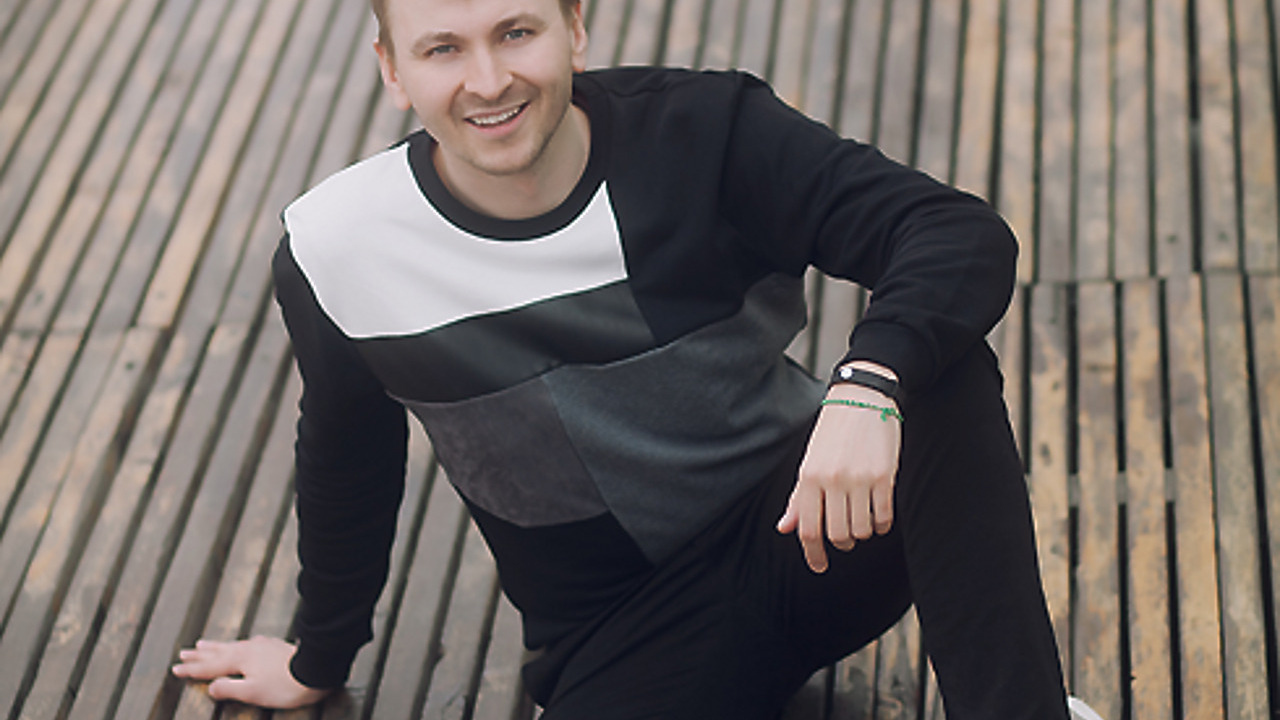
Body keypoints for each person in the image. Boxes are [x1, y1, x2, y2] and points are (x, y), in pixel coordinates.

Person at [172, 0, 1099, 717]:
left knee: (935, 377)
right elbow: (346, 455)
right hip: (624, 638)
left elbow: (950, 231)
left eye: (517, 32)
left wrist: (866, 387)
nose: (488, 80)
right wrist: (318, 657)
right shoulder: (340, 247)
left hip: (814, 533)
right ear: (392, 68)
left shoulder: (703, 132)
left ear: (575, 27)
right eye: (443, 49)